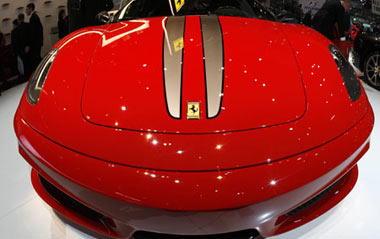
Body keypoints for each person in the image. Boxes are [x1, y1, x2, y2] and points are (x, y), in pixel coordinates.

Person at [25, 3, 43, 75]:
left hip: (35, 44)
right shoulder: (35, 17)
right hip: (37, 43)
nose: (26, 11)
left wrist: (29, 45)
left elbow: (33, 33)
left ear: (31, 9)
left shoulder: (33, 18)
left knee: (36, 61)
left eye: (26, 9)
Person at [11, 14, 30, 82]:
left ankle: (23, 78)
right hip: (25, 49)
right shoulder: (26, 26)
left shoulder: (14, 32)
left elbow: (14, 43)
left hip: (18, 51)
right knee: (27, 65)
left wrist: (14, 52)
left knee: (21, 67)